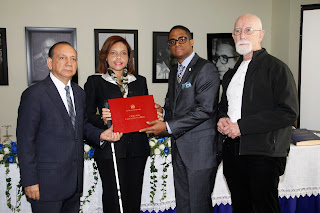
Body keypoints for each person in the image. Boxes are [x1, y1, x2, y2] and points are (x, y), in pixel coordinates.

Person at [17, 41, 122, 213]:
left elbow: (82, 126)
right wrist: (29, 181)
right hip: (46, 185)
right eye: (63, 58)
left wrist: (102, 135)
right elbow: (25, 141)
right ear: (50, 63)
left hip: (73, 183)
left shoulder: (79, 93)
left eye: (73, 59)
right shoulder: (35, 94)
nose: (69, 63)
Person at [217, 14, 299, 213]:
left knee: (265, 209)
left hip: (264, 155)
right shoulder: (230, 73)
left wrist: (242, 127)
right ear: (233, 37)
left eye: (248, 30)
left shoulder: (277, 69)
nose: (242, 35)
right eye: (237, 31)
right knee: (241, 207)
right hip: (233, 152)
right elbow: (224, 105)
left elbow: (288, 112)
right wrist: (221, 119)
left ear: (261, 35)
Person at [140, 25, 220, 213]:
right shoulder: (175, 71)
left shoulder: (206, 69)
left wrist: (167, 126)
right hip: (180, 148)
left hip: (200, 152)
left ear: (192, 41)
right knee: (184, 204)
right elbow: (175, 108)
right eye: (173, 41)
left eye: (182, 39)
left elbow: (204, 110)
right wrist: (163, 112)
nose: (177, 44)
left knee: (199, 207)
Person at [84, 36, 150, 213]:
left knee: (134, 197)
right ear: (105, 57)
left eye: (123, 53)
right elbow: (87, 115)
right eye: (113, 53)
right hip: (110, 149)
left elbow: (143, 113)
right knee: (113, 198)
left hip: (137, 148)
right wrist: (103, 119)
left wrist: (154, 112)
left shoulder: (140, 81)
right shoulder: (95, 81)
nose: (118, 57)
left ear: (129, 57)